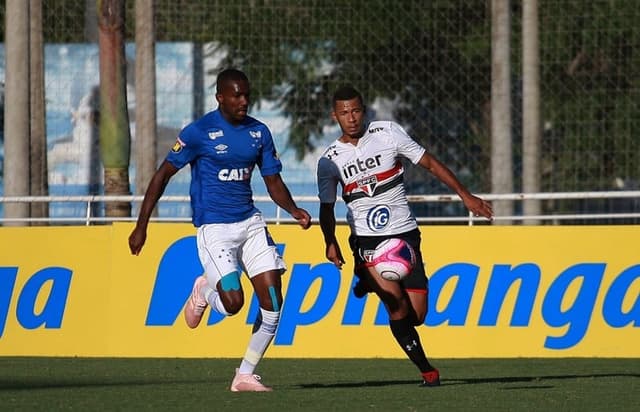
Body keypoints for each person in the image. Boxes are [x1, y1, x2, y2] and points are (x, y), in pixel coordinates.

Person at [129, 68, 312, 392]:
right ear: (221, 98)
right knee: (233, 304)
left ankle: (244, 375)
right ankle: (202, 292)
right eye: (237, 95)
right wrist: (141, 226)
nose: (244, 101)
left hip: (250, 224)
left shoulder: (259, 132)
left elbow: (273, 181)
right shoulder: (199, 133)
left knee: (272, 303)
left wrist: (293, 209)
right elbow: (162, 176)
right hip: (215, 229)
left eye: (247, 95)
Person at [316, 85, 493, 387]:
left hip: (405, 235)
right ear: (335, 116)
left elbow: (431, 163)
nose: (352, 117)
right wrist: (329, 241)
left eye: (356, 110)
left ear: (364, 110)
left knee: (417, 316)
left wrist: (465, 195)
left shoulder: (388, 133)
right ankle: (428, 370)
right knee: (395, 305)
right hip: (367, 241)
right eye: (344, 113)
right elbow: (327, 208)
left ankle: (369, 282)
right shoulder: (330, 160)